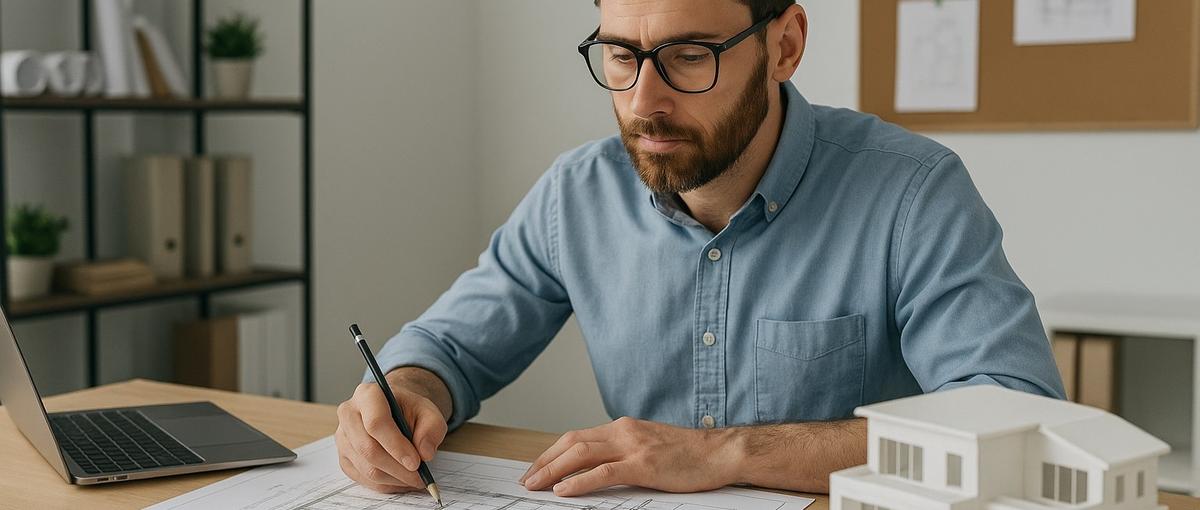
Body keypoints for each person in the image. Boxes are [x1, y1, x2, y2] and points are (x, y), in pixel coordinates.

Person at [334, 0, 1065, 498]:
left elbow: (1016, 416)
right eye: (621, 55)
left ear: (785, 46)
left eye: (689, 56)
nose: (644, 101)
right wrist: (405, 392)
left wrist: (726, 452)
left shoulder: (912, 194)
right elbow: (448, 349)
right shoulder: (577, 194)